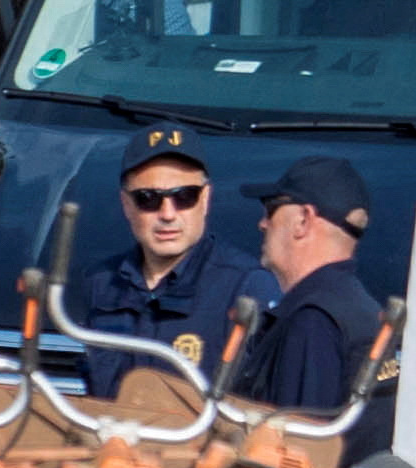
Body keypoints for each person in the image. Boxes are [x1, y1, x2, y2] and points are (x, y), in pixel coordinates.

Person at [67, 125, 261, 379]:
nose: (167, 214)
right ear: (126, 205)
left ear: (205, 199)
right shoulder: (99, 283)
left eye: (184, 196)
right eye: (148, 198)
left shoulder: (247, 287)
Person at [231, 155, 389, 423]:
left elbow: (297, 451)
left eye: (270, 210)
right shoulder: (362, 309)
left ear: (303, 220)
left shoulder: (313, 321)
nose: (262, 224)